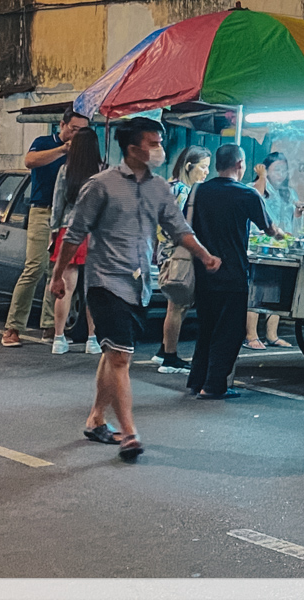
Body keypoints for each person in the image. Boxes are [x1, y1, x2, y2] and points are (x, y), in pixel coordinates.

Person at [48, 117, 220, 461]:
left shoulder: (159, 188)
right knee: (122, 356)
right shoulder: (101, 185)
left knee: (113, 353)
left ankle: (96, 418)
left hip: (139, 283)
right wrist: (56, 275)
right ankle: (129, 434)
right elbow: (75, 231)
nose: (159, 149)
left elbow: (178, 227)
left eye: (160, 142)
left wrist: (203, 254)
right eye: (153, 143)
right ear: (133, 148)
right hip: (104, 281)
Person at [188, 144, 289, 399]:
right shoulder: (246, 194)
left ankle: (197, 380)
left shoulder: (198, 191)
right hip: (232, 273)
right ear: (240, 165)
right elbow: (268, 228)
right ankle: (213, 386)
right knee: (230, 332)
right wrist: (281, 234)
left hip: (202, 271)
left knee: (207, 328)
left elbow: (183, 225)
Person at [3, 108, 89, 347]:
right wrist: (63, 150)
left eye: (83, 131)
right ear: (62, 125)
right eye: (74, 129)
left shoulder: (82, 152)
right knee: (34, 267)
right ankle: (13, 327)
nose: (77, 135)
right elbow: (29, 161)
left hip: (69, 215)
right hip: (42, 211)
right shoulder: (43, 143)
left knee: (58, 271)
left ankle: (51, 327)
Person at [152, 145, 211, 373]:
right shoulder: (183, 191)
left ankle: (163, 350)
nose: (206, 172)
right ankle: (170, 358)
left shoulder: (170, 186)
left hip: (166, 251)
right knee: (177, 305)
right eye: (203, 167)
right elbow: (180, 226)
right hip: (176, 253)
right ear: (189, 166)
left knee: (177, 304)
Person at [48, 126, 103, 355]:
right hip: (95, 233)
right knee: (93, 290)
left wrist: (53, 233)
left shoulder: (65, 170)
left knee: (65, 288)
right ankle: (93, 339)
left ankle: (59, 339)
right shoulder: (103, 172)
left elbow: (57, 206)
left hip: (68, 231)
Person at [246, 152, 304, 350]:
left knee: (277, 291)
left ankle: (272, 335)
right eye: (276, 169)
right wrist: (261, 177)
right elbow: (256, 199)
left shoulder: (290, 193)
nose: (281, 173)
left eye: (283, 169)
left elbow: (293, 224)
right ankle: (251, 335)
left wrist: (298, 213)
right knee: (257, 291)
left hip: (282, 247)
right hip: (260, 246)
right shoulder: (254, 187)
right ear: (265, 169)